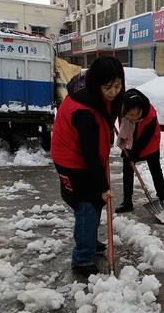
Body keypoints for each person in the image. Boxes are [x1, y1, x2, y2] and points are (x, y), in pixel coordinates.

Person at [51, 57, 125, 276]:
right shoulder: (84, 111)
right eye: (108, 87)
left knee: (95, 202)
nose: (113, 92)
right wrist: (103, 186)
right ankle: (82, 258)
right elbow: (89, 154)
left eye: (118, 86)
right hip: (72, 161)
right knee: (87, 207)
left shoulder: (95, 95)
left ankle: (90, 241)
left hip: (87, 158)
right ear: (95, 84)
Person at [115, 88, 164, 213]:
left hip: (150, 143)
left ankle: (163, 199)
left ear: (141, 110)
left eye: (136, 115)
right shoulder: (121, 108)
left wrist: (135, 154)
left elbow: (145, 139)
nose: (133, 118)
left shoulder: (150, 116)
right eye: (130, 115)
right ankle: (127, 201)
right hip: (129, 140)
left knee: (155, 169)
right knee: (127, 169)